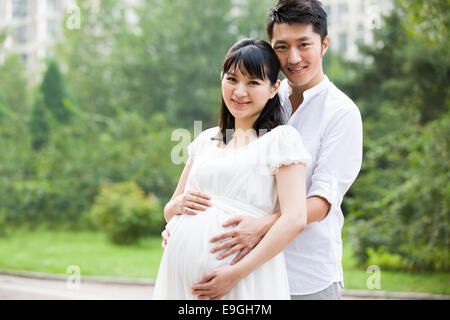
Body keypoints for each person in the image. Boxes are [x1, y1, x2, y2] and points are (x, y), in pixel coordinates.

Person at [173, 0, 364, 300]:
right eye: (282, 47)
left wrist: (262, 226)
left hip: (305, 274)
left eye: (304, 44)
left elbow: (323, 200)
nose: (294, 58)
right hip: (249, 278)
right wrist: (182, 225)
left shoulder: (341, 113)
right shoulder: (262, 95)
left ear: (324, 43)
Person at [153, 38, 312, 300]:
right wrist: (179, 206)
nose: (239, 91)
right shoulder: (205, 140)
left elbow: (295, 219)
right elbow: (169, 210)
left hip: (243, 282)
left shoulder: (281, 140)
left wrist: (235, 274)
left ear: (274, 88)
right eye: (232, 79)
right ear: (221, 79)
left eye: (253, 82)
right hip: (180, 285)